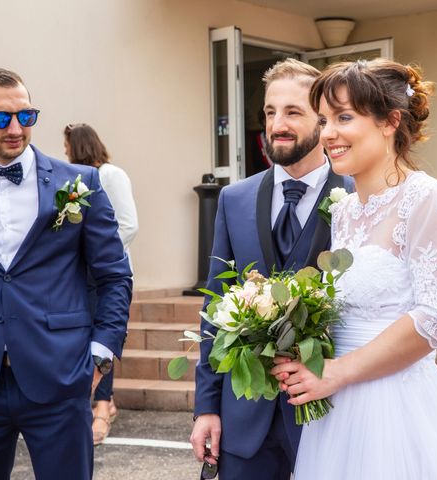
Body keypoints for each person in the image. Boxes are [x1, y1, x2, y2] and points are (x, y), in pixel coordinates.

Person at [271, 59, 437, 479]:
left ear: (390, 121)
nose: (328, 134)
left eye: (344, 117)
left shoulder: (427, 199)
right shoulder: (344, 211)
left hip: (393, 407)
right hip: (336, 408)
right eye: (324, 120)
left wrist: (337, 372)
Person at [191, 58, 354, 480]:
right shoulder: (234, 199)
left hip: (331, 415)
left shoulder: (359, 198)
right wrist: (207, 407)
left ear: (323, 120)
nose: (277, 124)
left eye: (292, 112)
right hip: (245, 421)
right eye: (269, 112)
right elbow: (214, 308)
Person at [0, 68, 131, 480]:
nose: (16, 128)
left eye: (26, 116)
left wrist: (101, 355)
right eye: (0, 118)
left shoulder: (80, 183)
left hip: (60, 375)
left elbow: (115, 275)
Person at [64, 123, 139, 446]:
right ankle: (102, 401)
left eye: (67, 146)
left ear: (79, 146)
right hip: (82, 277)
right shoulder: (72, 180)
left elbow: (129, 224)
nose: (64, 151)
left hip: (107, 275)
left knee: (105, 337)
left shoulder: (111, 175)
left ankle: (102, 408)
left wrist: (98, 254)